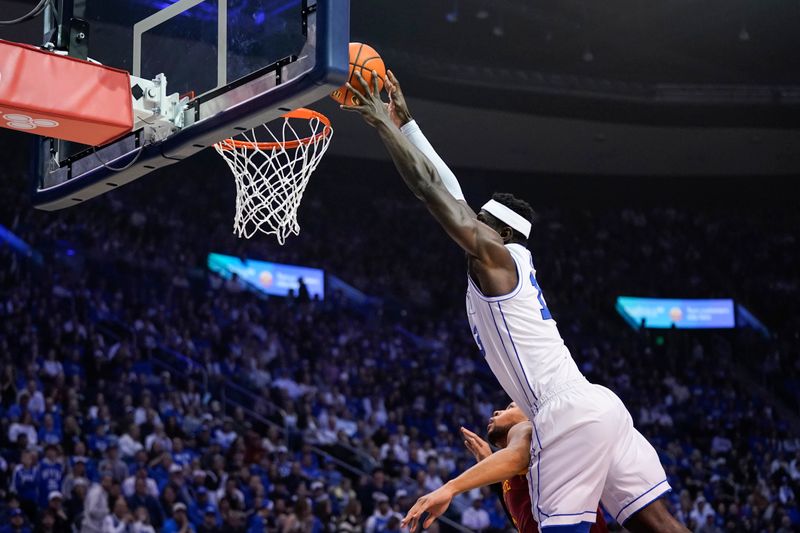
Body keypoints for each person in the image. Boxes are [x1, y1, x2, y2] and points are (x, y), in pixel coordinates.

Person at [342, 71, 688, 533]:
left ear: (500, 233)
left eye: (479, 222)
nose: (467, 223)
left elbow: (431, 191)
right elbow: (451, 192)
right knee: (660, 524)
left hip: (563, 413)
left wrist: (380, 125)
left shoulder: (498, 261)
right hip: (600, 405)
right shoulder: (508, 261)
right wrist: (406, 123)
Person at [459, 403, 608, 533]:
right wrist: (495, 478)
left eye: (510, 407)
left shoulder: (535, 438)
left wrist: (451, 488)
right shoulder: (513, 473)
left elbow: (521, 449)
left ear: (529, 418)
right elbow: (523, 523)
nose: (497, 412)